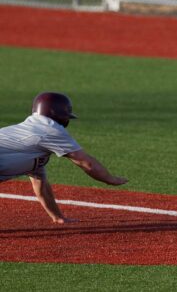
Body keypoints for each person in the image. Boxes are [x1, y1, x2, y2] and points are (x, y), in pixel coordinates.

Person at [0, 92, 128, 224]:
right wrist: (110, 179)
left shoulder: (31, 145)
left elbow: (41, 186)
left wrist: (57, 217)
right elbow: (86, 163)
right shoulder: (50, 130)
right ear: (58, 114)